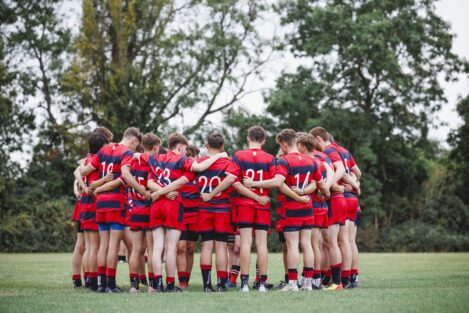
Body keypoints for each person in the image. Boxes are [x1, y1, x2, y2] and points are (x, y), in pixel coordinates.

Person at [244, 129, 329, 291]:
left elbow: (277, 182)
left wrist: (254, 183)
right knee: (307, 244)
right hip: (308, 207)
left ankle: (292, 283)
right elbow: (320, 184)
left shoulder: (285, 161)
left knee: (292, 245)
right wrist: (324, 193)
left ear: (284, 144)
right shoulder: (311, 161)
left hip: (291, 208)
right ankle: (308, 283)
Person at [146, 133, 227, 292]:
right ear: (179, 146)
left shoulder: (157, 158)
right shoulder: (181, 160)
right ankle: (169, 284)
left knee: (156, 248)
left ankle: (156, 285)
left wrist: (159, 192)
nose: (185, 152)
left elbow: (149, 182)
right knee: (171, 248)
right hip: (172, 204)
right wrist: (220, 155)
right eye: (184, 148)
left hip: (156, 205)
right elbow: (199, 167)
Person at [201, 126, 273, 292]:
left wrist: (211, 194)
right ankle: (261, 284)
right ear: (263, 141)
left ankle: (245, 284)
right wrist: (259, 196)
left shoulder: (239, 156)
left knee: (245, 244)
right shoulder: (269, 158)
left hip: (244, 205)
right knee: (262, 245)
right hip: (263, 205)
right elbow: (277, 181)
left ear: (248, 139)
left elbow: (231, 181)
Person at [80, 127, 150, 293]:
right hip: (116, 203)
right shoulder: (125, 153)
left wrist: (95, 186)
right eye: (136, 145)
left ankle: (101, 284)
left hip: (100, 204)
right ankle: (110, 285)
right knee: (113, 247)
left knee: (103, 246)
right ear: (133, 140)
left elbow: (85, 171)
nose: (135, 149)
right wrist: (143, 191)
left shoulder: (103, 150)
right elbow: (125, 176)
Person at [310, 126, 351, 290]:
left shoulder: (328, 150)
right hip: (336, 198)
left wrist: (329, 185)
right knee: (329, 242)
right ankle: (333, 279)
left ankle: (338, 281)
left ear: (318, 140)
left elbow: (340, 168)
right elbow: (350, 171)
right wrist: (352, 183)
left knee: (333, 242)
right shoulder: (332, 151)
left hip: (334, 199)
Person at [128, 133, 162, 293]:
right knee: (151, 250)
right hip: (150, 209)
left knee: (135, 249)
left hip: (135, 208)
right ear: (155, 147)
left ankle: (134, 286)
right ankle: (152, 285)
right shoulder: (155, 162)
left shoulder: (134, 162)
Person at [177, 145, 201, 289]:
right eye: (189, 157)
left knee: (191, 247)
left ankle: (187, 278)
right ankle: (182, 281)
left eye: (194, 157)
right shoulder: (179, 171)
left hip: (196, 213)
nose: (192, 160)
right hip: (180, 211)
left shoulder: (201, 172)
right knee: (180, 247)